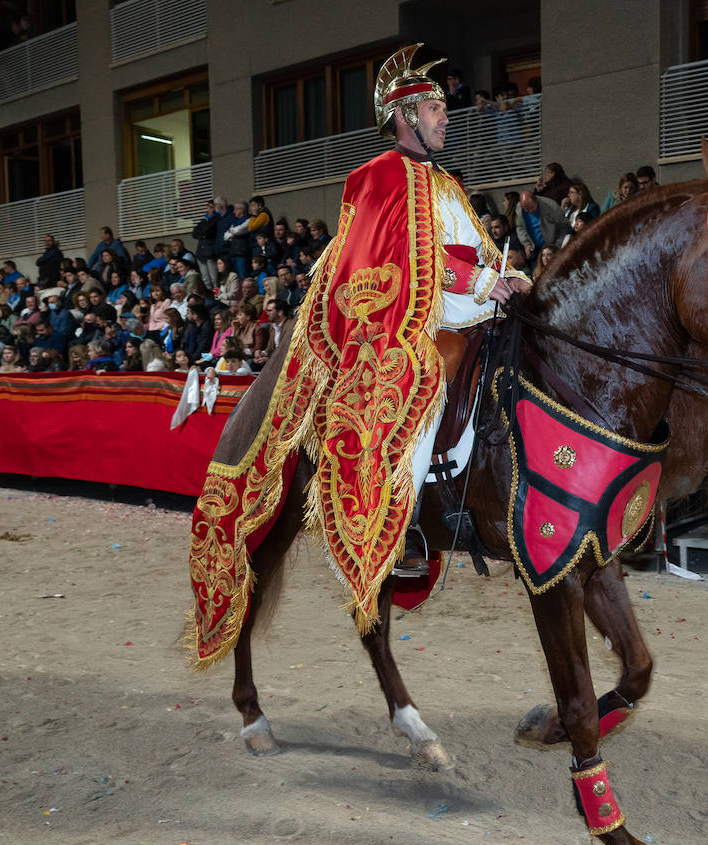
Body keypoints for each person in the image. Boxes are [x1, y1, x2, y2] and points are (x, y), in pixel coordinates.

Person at [190, 42, 530, 615]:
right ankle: (404, 521)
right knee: (421, 377)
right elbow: (392, 256)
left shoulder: (446, 185)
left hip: (470, 307)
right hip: (410, 316)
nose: (446, 117)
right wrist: (475, 282)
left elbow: (477, 248)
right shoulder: (376, 177)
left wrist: (506, 274)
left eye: (444, 109)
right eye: (435, 109)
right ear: (405, 117)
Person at [514, 190, 566, 265]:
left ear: (536, 200)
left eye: (531, 208)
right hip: (534, 249)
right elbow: (520, 227)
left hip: (551, 248)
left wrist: (557, 245)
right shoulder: (519, 208)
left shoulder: (551, 206)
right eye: (525, 209)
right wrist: (526, 243)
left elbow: (564, 227)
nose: (529, 211)